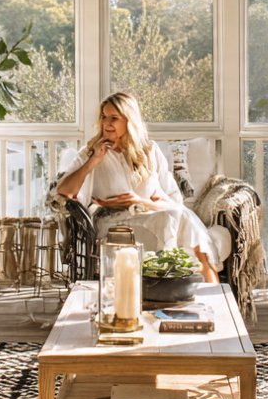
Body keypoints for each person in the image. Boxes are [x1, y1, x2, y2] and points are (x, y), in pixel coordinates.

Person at [57, 92, 220, 283]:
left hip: (149, 213)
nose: (106, 123)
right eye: (103, 116)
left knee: (181, 217)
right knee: (172, 219)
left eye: (114, 118)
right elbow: (65, 191)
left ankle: (208, 288)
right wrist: (93, 161)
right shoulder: (92, 151)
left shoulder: (149, 151)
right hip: (111, 224)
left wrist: (138, 201)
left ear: (129, 121)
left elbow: (174, 201)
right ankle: (165, 284)